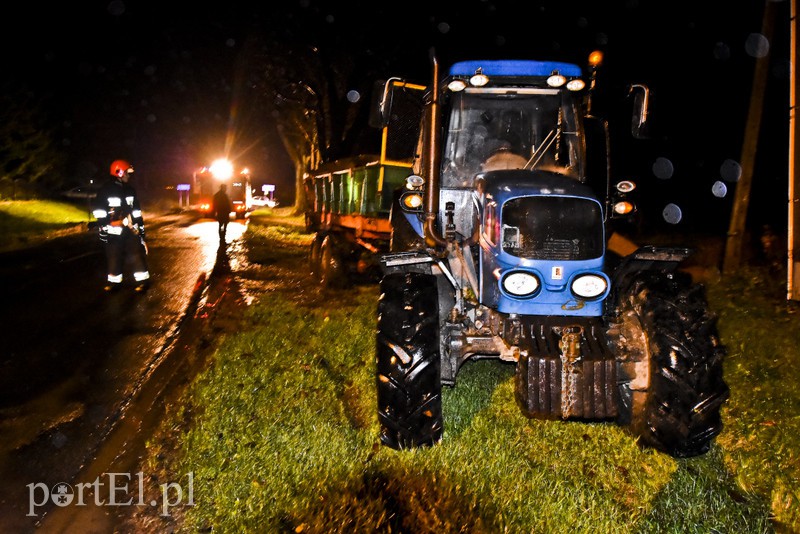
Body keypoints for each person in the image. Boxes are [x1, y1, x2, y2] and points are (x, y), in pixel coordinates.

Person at [92, 159, 151, 292]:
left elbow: (136, 211)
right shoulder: (105, 190)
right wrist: (105, 224)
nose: (129, 176)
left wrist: (141, 229)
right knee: (114, 256)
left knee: (136, 254)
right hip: (113, 231)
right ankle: (114, 283)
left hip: (130, 230)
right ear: (119, 173)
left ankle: (143, 282)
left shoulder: (130, 190)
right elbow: (99, 210)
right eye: (127, 173)